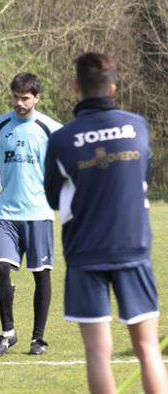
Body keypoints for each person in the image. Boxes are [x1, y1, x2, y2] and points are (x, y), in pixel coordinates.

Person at [44, 52, 167, 393]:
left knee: (98, 353)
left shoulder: (61, 139)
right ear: (113, 87)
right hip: (133, 247)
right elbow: (142, 178)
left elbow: (54, 198)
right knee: (148, 349)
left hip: (86, 253)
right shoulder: (139, 125)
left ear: (75, 86)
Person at [0, 72, 62, 356]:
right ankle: (8, 333)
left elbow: (69, 157)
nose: (19, 103)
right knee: (0, 268)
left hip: (39, 213)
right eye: (16, 97)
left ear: (37, 98)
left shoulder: (51, 128)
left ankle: (39, 339)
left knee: (41, 276)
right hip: (7, 213)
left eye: (25, 98)